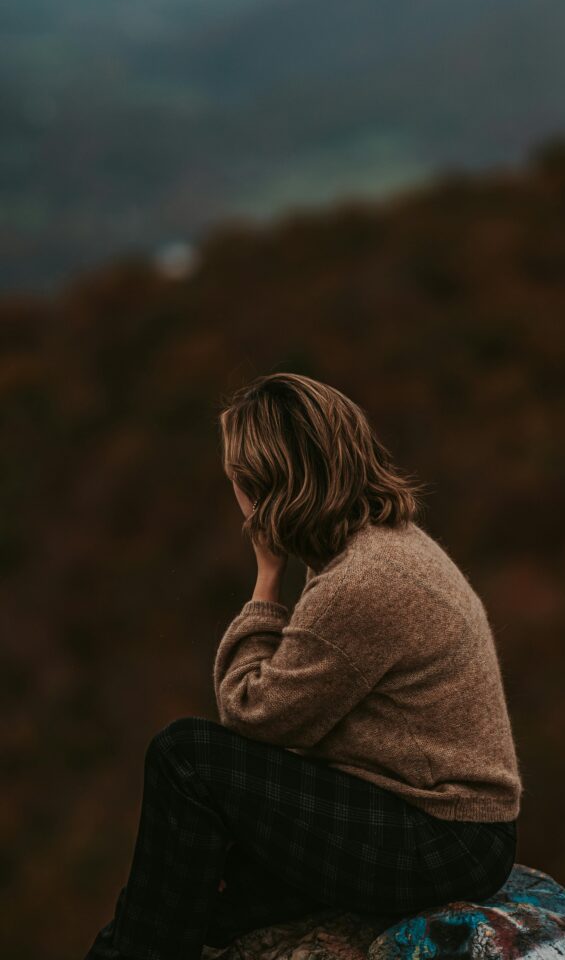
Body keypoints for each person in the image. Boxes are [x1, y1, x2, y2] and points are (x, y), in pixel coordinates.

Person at [84, 372, 522, 960]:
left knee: (185, 757)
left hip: (441, 838)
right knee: (185, 888)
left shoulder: (363, 581)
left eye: (236, 479)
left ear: (265, 487)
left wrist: (266, 580)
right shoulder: (382, 544)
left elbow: (255, 715)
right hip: (433, 820)